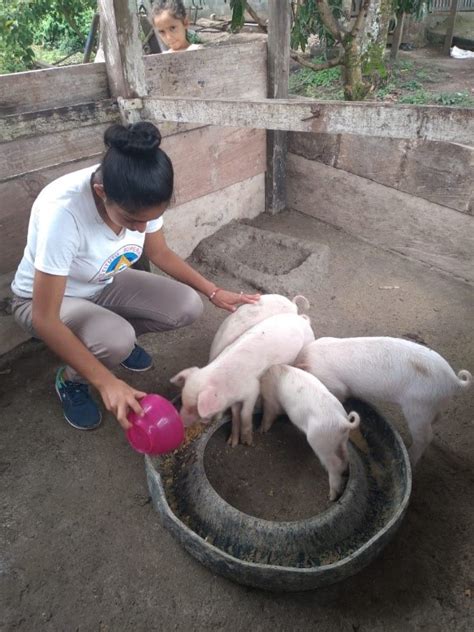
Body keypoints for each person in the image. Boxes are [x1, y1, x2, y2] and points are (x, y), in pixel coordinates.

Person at [11, 122, 259, 432]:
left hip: (102, 281)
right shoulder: (64, 213)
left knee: (187, 306)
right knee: (115, 339)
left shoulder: (142, 186)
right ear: (102, 193)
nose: (141, 230)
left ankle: (110, 346)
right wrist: (107, 383)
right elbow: (45, 318)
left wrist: (213, 291)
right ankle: (72, 378)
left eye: (150, 220)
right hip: (43, 300)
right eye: (132, 220)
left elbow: (159, 253)